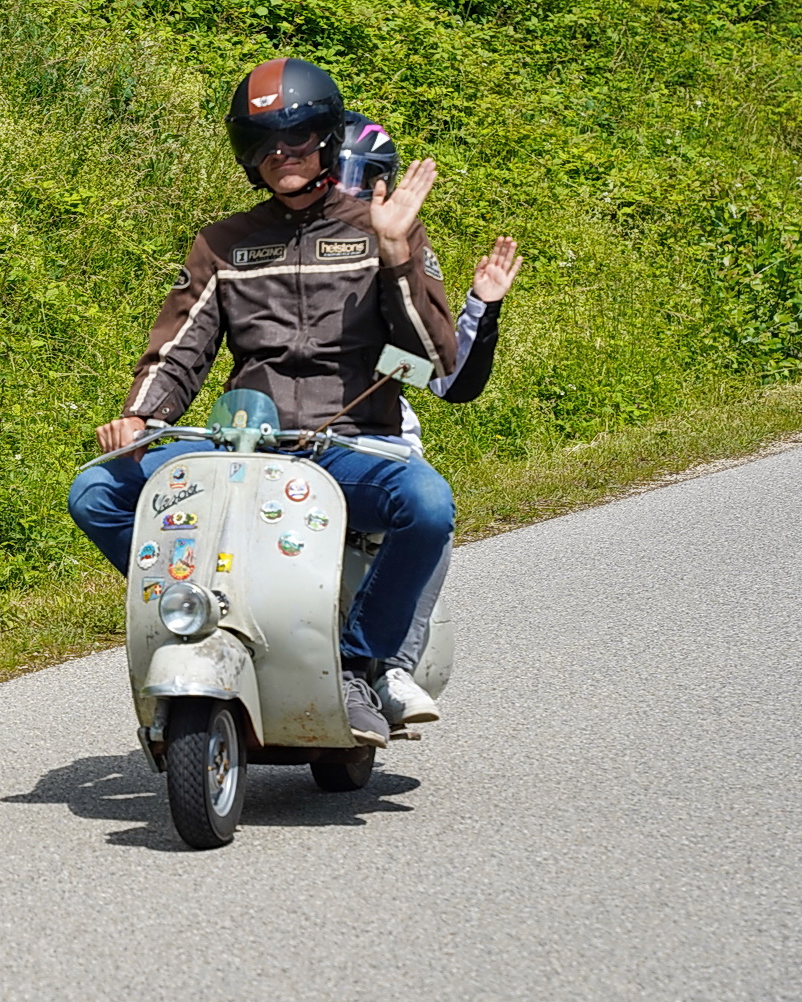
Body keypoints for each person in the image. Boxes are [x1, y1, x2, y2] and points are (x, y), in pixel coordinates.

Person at [67, 58, 459, 748]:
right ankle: (191, 606)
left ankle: (360, 665)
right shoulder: (223, 244)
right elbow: (179, 348)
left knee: (427, 506)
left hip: (346, 447)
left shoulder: (379, 229)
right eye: (263, 141)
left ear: (327, 138)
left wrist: (397, 251)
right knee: (96, 492)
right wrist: (140, 414)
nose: (282, 153)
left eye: (297, 136)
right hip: (244, 448)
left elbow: (434, 357)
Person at [331, 112, 525, 727]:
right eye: (337, 174)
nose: (347, 189)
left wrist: (481, 308)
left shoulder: (409, 250)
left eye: (362, 178)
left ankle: (391, 665)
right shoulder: (270, 244)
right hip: (286, 437)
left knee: (428, 506)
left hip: (377, 443)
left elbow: (448, 380)